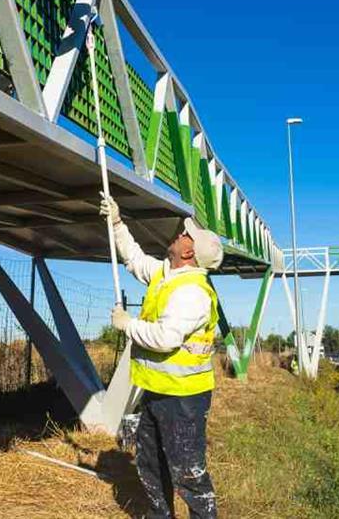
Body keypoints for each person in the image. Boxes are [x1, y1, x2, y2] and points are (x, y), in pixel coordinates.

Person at [100, 193, 221, 519]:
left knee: (188, 474)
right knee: (151, 464)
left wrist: (129, 325)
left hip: (182, 399)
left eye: (186, 234)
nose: (180, 233)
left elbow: (166, 338)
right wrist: (116, 223)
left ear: (189, 251)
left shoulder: (192, 293)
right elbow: (135, 260)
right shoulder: (167, 275)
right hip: (157, 391)